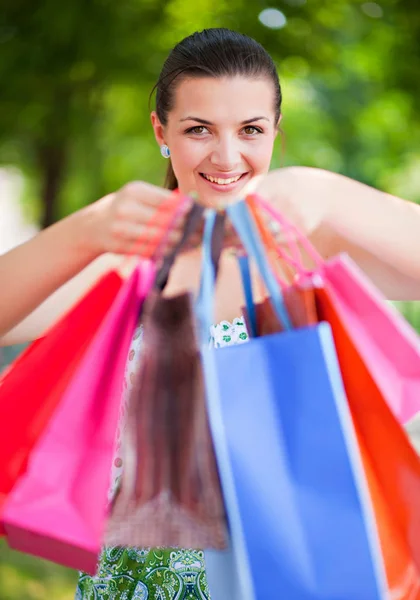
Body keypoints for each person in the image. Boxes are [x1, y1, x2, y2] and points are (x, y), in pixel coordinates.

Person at [1, 27, 420, 599]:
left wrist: (325, 191)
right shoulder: (126, 272)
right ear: (162, 133)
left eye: (251, 130)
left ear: (276, 132)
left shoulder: (308, 254)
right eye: (199, 130)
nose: (227, 157)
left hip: (298, 576)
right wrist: (86, 229)